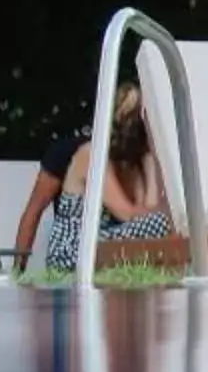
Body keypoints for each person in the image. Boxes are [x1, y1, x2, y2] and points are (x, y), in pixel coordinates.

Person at [11, 83, 177, 271]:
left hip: (100, 244)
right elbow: (130, 214)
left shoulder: (130, 164)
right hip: (71, 250)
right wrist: (17, 272)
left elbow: (147, 211)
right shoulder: (90, 154)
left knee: (164, 224)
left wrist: (148, 161)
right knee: (164, 223)